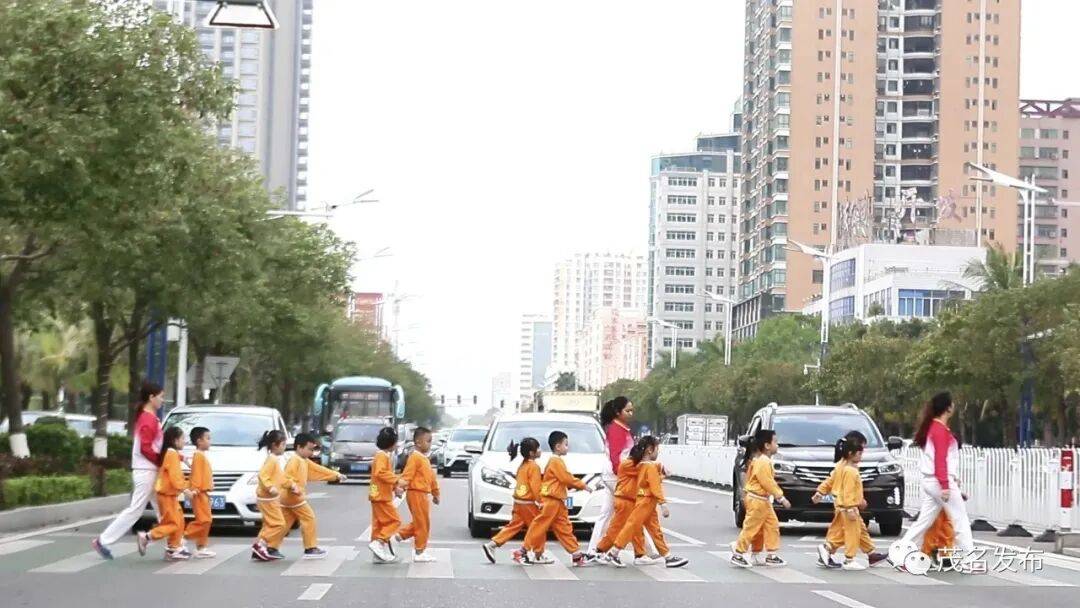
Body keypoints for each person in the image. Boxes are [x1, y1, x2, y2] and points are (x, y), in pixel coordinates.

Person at [892, 392, 974, 570]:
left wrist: (950, 479)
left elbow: (941, 460)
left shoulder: (933, 428)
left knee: (924, 522)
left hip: (931, 481)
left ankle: (902, 554)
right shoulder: (940, 430)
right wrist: (945, 485)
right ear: (948, 408)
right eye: (952, 404)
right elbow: (940, 460)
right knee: (960, 519)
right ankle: (970, 559)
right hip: (939, 482)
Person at [92, 381, 164, 559]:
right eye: (161, 396)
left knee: (164, 509)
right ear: (151, 397)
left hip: (150, 470)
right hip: (147, 470)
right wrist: (161, 461)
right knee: (136, 510)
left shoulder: (149, 417)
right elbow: (146, 448)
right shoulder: (147, 419)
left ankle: (174, 544)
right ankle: (103, 540)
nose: (163, 400)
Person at [588, 397, 662, 564]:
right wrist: (624, 475)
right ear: (617, 412)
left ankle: (595, 550)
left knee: (607, 514)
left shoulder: (621, 429)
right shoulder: (617, 430)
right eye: (627, 411)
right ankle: (641, 553)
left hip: (614, 476)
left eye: (631, 410)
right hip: (617, 476)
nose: (631, 413)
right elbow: (616, 457)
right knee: (634, 512)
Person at [600, 435, 688, 568]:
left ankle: (667, 556)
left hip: (645, 500)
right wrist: (663, 504)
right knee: (633, 526)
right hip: (646, 500)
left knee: (652, 529)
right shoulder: (649, 467)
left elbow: (648, 482)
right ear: (650, 450)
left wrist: (661, 474)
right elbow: (655, 486)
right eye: (657, 449)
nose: (658, 452)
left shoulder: (641, 466)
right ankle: (614, 552)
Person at [812, 433, 888, 570]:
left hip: (844, 505)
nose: (862, 455)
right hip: (847, 507)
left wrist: (820, 492)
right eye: (860, 451)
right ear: (851, 452)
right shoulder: (850, 470)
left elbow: (831, 481)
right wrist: (851, 506)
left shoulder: (843, 465)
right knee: (852, 532)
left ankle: (871, 553)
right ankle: (846, 557)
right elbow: (848, 490)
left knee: (858, 530)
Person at [519, 431, 595, 566]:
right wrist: (583, 486)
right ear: (558, 447)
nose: (567, 447)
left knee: (564, 527)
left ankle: (576, 554)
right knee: (540, 526)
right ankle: (522, 551)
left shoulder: (556, 461)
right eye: (566, 444)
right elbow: (566, 478)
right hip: (551, 500)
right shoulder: (556, 461)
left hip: (557, 501)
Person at [271, 433, 347, 560]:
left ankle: (270, 546)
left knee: (284, 524)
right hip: (294, 497)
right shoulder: (295, 460)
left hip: (287, 497)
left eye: (313, 449)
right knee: (309, 518)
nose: (311, 452)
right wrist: (293, 486)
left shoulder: (302, 460)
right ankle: (310, 547)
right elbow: (287, 477)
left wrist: (336, 475)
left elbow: (317, 469)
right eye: (309, 449)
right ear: (299, 447)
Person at [730, 429, 790, 568]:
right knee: (752, 527)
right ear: (767, 445)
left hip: (762, 500)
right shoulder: (763, 462)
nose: (777, 445)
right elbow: (767, 482)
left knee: (771, 526)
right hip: (758, 500)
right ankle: (738, 553)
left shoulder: (761, 460)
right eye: (775, 442)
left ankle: (765, 554)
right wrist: (780, 497)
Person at [482, 437, 542, 563]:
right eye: (538, 448)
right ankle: (538, 554)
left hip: (518, 501)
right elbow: (535, 486)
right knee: (538, 527)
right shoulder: (534, 467)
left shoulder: (523, 465)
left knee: (513, 526)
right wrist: (540, 501)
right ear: (532, 453)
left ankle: (492, 544)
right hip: (528, 503)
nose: (540, 450)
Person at [137, 426, 192, 561]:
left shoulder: (171, 453)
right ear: (175, 440)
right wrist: (185, 489)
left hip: (169, 495)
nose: (184, 441)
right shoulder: (171, 454)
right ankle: (147, 537)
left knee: (179, 521)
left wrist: (183, 458)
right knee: (173, 523)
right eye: (183, 438)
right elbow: (175, 476)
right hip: (166, 495)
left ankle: (173, 548)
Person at [395, 427, 441, 563]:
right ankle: (419, 551)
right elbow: (407, 475)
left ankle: (398, 537)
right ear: (418, 442)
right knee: (422, 523)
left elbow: (432, 478)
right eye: (428, 441)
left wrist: (436, 493)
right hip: (416, 493)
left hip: (423, 494)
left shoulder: (424, 459)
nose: (430, 444)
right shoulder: (415, 457)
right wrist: (399, 487)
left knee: (422, 522)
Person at [368, 426, 407, 562]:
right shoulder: (382, 456)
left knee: (378, 524)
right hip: (381, 495)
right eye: (395, 442)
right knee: (395, 521)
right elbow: (381, 473)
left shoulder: (383, 455)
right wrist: (397, 480)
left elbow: (383, 476)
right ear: (390, 443)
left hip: (377, 494)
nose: (396, 445)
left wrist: (395, 488)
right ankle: (379, 542)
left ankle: (377, 554)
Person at [252, 430, 290, 561]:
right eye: (283, 444)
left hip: (267, 498)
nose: (284, 447)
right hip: (268, 498)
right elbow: (263, 475)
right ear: (275, 445)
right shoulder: (272, 460)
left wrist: (290, 485)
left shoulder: (274, 459)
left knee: (269, 524)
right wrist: (270, 487)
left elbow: (280, 477)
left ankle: (259, 547)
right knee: (279, 524)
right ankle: (260, 544)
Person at [183, 427, 215, 559]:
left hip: (203, 492)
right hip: (199, 493)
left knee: (206, 520)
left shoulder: (200, 455)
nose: (210, 441)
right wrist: (195, 489)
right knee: (204, 520)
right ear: (199, 441)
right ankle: (183, 538)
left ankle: (201, 547)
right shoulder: (198, 456)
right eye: (207, 438)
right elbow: (196, 475)